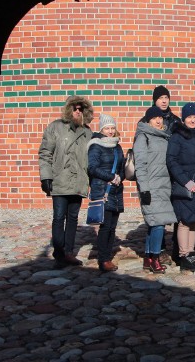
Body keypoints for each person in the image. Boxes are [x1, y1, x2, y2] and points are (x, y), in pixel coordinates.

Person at [38, 96, 94, 269]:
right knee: (58, 217)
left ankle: (69, 252)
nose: (78, 111)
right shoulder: (56, 127)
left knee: (72, 218)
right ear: (69, 109)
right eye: (75, 108)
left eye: (81, 109)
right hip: (60, 180)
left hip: (79, 181)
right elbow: (45, 153)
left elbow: (91, 158)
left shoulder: (87, 132)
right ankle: (59, 254)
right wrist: (46, 177)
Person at [167, 103, 195, 272]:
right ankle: (183, 255)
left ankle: (191, 253)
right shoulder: (177, 137)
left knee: (194, 221)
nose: (192, 120)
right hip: (185, 186)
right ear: (183, 118)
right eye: (189, 117)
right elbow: (172, 161)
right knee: (184, 221)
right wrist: (185, 181)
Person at [134, 106, 177, 274]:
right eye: (154, 118)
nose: (159, 121)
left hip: (164, 185)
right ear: (148, 120)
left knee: (154, 223)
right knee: (158, 223)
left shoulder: (165, 136)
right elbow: (140, 165)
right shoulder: (143, 137)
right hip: (151, 187)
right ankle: (155, 258)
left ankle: (148, 258)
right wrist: (144, 188)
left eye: (160, 118)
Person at [145, 85, 181, 266]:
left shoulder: (175, 121)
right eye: (161, 98)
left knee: (174, 210)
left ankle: (175, 246)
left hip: (172, 172)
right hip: (156, 175)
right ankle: (158, 250)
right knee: (156, 215)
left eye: (166, 97)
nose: (164, 101)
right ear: (155, 100)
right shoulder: (147, 123)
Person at [87, 114, 125, 272]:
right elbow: (92, 168)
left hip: (116, 190)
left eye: (112, 128)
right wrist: (110, 177)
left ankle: (106, 255)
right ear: (101, 129)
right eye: (107, 128)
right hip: (103, 190)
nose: (110, 131)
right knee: (105, 226)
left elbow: (121, 168)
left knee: (112, 227)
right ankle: (104, 259)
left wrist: (119, 178)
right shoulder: (96, 145)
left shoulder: (117, 146)